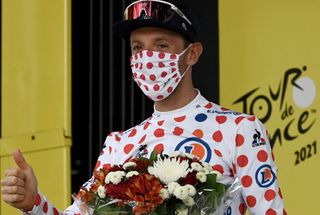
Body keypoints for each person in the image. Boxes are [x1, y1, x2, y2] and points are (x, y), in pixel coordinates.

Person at [1, 0, 286, 214]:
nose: (148, 58)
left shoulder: (240, 129)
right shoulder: (118, 144)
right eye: (138, 48)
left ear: (193, 54)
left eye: (161, 46)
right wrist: (33, 202)